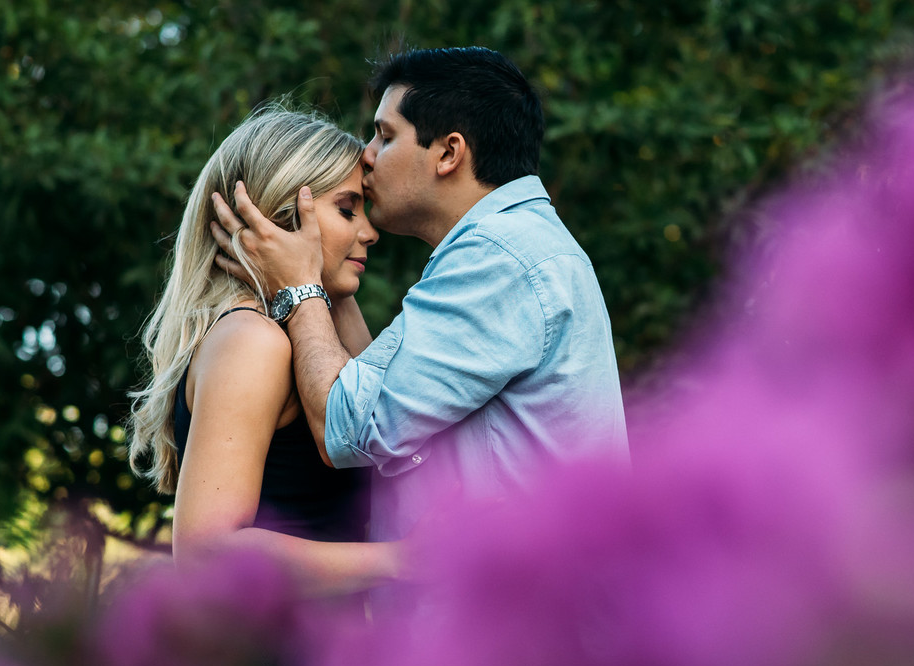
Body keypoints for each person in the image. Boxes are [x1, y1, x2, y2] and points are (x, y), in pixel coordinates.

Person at [210, 47, 629, 543]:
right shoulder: (520, 248)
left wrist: (300, 287)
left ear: (449, 153)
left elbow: (349, 428)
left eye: (385, 136)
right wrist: (323, 273)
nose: (366, 154)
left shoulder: (498, 258)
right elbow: (379, 394)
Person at [128, 106, 402, 596]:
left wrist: (313, 282)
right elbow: (207, 554)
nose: (369, 232)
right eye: (347, 210)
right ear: (280, 217)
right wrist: (403, 561)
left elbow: (377, 424)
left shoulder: (304, 328)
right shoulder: (253, 342)